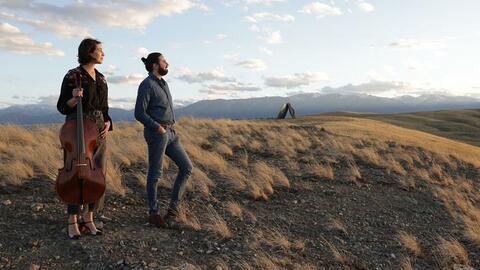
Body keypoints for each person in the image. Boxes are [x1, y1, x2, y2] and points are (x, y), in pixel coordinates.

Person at [56, 38, 112, 239]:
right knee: (76, 172)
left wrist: (107, 122)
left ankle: (89, 218)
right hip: (77, 126)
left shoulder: (102, 78)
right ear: (89, 52)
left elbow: (104, 108)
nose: (103, 54)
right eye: (100, 50)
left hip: (98, 127)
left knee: (97, 172)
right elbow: (62, 106)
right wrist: (73, 98)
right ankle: (72, 220)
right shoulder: (73, 75)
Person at [134, 52, 193, 228]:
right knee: (155, 174)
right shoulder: (147, 85)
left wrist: (169, 128)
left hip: (171, 133)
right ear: (154, 65)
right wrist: (157, 127)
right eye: (163, 61)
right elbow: (139, 113)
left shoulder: (163, 83)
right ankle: (154, 213)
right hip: (157, 133)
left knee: (187, 167)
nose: (167, 63)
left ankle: (173, 209)